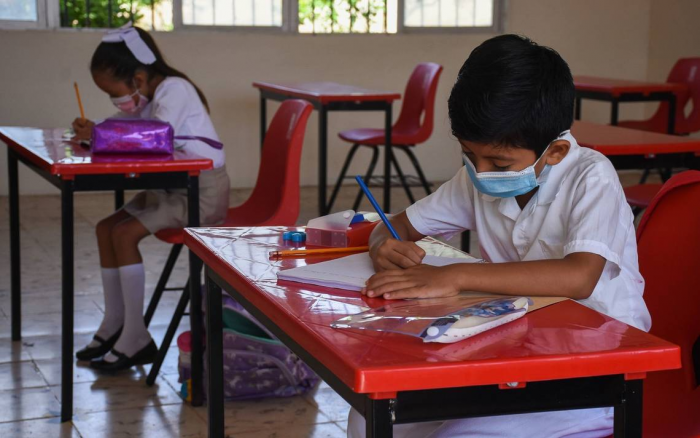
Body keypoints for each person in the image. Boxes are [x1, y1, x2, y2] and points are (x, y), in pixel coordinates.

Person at [348, 34, 650, 437]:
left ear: (555, 151)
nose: (481, 172)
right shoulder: (478, 177)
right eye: (469, 155)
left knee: (458, 435)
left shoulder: (591, 177)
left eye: (499, 162)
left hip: (597, 366)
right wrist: (383, 245)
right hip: (515, 349)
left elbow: (579, 277)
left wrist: (455, 276)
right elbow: (397, 225)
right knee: (372, 416)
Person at [73, 23, 230, 372]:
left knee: (123, 234)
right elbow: (124, 125)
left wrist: (100, 134)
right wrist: (94, 130)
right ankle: (115, 322)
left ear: (139, 78)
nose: (115, 101)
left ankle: (136, 336)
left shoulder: (174, 90)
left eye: (114, 92)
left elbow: (153, 137)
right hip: (170, 187)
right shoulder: (151, 97)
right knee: (105, 228)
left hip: (201, 193)